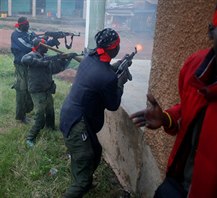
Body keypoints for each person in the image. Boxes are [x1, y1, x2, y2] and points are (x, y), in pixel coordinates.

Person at [130, 0, 217, 197]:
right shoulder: (195, 65)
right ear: (212, 32)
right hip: (176, 183)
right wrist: (166, 118)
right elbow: (189, 109)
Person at [59, 28, 132, 198]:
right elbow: (113, 104)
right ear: (114, 48)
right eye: (118, 45)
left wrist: (118, 66)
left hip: (71, 114)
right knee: (84, 169)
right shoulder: (108, 77)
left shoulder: (89, 59)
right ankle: (82, 183)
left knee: (95, 152)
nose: (119, 47)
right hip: (78, 123)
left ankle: (83, 179)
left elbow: (101, 73)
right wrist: (120, 82)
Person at [21, 38, 75, 147]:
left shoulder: (45, 57)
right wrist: (45, 62)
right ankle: (30, 138)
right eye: (45, 46)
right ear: (39, 47)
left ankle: (50, 128)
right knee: (40, 115)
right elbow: (24, 59)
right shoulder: (31, 55)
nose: (47, 48)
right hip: (37, 90)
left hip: (46, 89)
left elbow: (55, 69)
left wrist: (65, 59)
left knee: (50, 111)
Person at [11, 16, 59, 123]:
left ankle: (28, 110)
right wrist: (43, 40)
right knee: (22, 89)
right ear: (21, 25)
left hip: (31, 64)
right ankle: (20, 116)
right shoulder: (16, 35)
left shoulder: (29, 32)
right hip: (21, 66)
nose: (28, 26)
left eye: (28, 24)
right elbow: (29, 47)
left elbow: (38, 43)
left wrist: (50, 41)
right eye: (26, 25)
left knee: (32, 87)